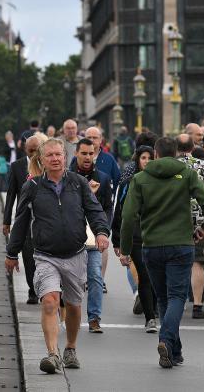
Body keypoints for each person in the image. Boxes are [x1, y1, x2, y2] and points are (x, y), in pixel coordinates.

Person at [6, 138, 110, 375]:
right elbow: (20, 222)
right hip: (45, 255)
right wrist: (12, 253)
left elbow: (94, 211)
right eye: (49, 155)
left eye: (58, 155)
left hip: (75, 254)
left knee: (73, 305)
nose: (54, 159)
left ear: (65, 157)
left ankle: (70, 348)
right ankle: (52, 354)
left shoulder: (78, 183)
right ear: (41, 160)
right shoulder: (32, 188)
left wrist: (102, 233)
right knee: (50, 301)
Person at [120, 137, 204, 369]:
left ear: (155, 154)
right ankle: (166, 341)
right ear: (176, 153)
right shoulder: (187, 174)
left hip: (151, 245)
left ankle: (174, 350)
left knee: (163, 298)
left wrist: (124, 248)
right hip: (181, 243)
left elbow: (128, 216)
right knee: (176, 298)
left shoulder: (140, 179)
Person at [113, 145, 158, 333]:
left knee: (156, 276)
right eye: (144, 158)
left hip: (157, 235)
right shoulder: (128, 183)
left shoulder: (161, 182)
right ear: (138, 160)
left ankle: (154, 309)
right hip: (137, 236)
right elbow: (120, 212)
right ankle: (150, 317)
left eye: (150, 158)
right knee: (145, 276)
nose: (147, 161)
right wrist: (117, 240)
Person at [72, 138, 114, 334]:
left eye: (91, 153)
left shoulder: (103, 178)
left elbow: (106, 208)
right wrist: (87, 192)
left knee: (95, 277)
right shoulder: (67, 176)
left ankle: (94, 318)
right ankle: (68, 313)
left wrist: (104, 231)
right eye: (84, 153)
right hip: (70, 236)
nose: (88, 157)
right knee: (70, 279)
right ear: (76, 154)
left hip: (93, 236)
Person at [174, 134, 204, 319]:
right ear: (193, 147)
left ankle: (174, 303)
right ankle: (198, 306)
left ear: (177, 148)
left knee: (174, 263)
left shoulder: (172, 166)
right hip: (199, 221)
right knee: (197, 263)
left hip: (174, 219)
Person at [3, 132, 49, 304]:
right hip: (25, 219)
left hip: (45, 221)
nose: (33, 154)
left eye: (36, 150)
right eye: (30, 151)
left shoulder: (49, 166)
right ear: (25, 150)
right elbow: (10, 195)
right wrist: (7, 220)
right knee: (28, 256)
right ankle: (32, 289)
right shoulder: (16, 167)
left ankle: (45, 287)